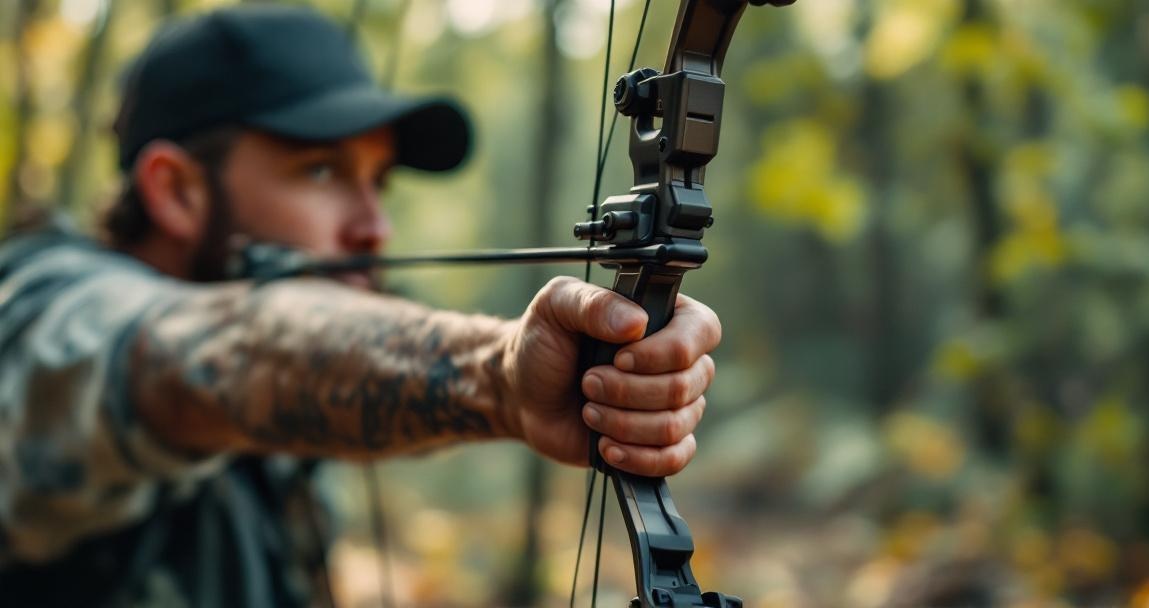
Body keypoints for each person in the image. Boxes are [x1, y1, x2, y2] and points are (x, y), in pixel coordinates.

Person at [0, 4, 722, 606]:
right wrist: (498, 373)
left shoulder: (289, 428)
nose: (374, 226)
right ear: (177, 191)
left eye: (379, 180)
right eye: (320, 170)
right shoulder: (44, 312)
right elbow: (206, 357)